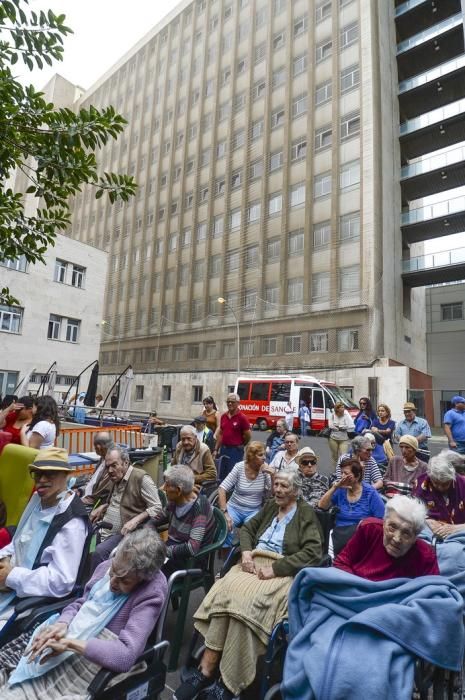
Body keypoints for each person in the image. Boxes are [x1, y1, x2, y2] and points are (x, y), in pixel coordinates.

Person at [173, 470, 323, 700]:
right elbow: (249, 530)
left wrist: (276, 569)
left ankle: (228, 683)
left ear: (295, 491)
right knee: (222, 593)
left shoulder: (305, 513)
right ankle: (206, 669)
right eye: (277, 485)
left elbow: (313, 553)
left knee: (246, 606)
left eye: (284, 486)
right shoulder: (272, 506)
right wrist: (245, 553)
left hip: (280, 570)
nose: (278, 490)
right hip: (253, 562)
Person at [0, 529, 168, 699]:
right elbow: (81, 604)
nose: (112, 583)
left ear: (143, 579)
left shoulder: (151, 591)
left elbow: (125, 655)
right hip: (70, 643)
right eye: (113, 571)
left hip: (96, 660)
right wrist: (62, 624)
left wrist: (70, 643)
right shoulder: (106, 567)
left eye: (124, 581)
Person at [0, 447, 89, 629]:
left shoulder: (73, 522)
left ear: (65, 475)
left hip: (28, 600)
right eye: (37, 474)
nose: (41, 480)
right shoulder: (37, 500)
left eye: (49, 474)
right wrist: (3, 558)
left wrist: (11, 575)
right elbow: (18, 541)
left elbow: (61, 582)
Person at [90, 445, 163, 569]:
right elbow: (121, 501)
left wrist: (135, 520)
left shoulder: (141, 478)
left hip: (126, 532)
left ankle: (94, 587)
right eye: (108, 467)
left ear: (126, 463)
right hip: (105, 527)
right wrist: (103, 506)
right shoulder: (117, 477)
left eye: (114, 465)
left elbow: (157, 506)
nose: (110, 470)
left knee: (99, 552)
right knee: (81, 538)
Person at [333, 495, 439, 580]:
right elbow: (341, 563)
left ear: (415, 537)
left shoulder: (426, 555)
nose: (397, 539)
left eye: (406, 533)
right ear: (384, 522)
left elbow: (434, 591)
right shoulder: (369, 530)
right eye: (392, 527)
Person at [151, 466, 216, 576]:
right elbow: (156, 520)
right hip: (172, 549)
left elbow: (192, 548)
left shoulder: (199, 507)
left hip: (191, 560)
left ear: (179, 490)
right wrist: (148, 532)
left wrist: (162, 551)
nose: (164, 488)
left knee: (147, 571)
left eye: (167, 485)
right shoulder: (174, 502)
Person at [319, 458, 385, 555]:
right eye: (342, 473)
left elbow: (381, 518)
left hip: (361, 535)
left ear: (357, 476)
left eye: (346, 474)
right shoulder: (340, 489)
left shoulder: (370, 492)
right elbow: (322, 506)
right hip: (339, 533)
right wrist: (334, 487)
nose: (342, 477)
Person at [217, 441, 272, 546]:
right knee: (226, 527)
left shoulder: (265, 468)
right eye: (260, 455)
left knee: (251, 532)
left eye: (265, 454)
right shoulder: (239, 467)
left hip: (253, 509)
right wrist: (225, 513)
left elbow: (272, 493)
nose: (264, 458)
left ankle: (244, 557)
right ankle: (226, 558)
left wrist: (272, 474)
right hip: (234, 507)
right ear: (251, 456)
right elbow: (222, 488)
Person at [413, 450, 465, 538]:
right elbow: (412, 512)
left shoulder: (462, 484)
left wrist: (457, 528)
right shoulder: (422, 483)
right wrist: (427, 520)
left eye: (445, 484)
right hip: (430, 532)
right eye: (436, 483)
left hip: (459, 533)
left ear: (453, 477)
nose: (440, 487)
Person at [213, 393, 251, 472]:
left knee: (233, 473)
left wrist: (241, 444)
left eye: (232, 402)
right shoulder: (224, 416)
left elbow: (248, 436)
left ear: (238, 403)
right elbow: (220, 434)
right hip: (223, 449)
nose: (230, 403)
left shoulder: (242, 418)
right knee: (222, 471)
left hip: (235, 451)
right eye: (228, 401)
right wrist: (216, 449)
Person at [82, 431, 113, 508]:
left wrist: (77, 500)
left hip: (92, 502)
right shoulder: (103, 457)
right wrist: (80, 490)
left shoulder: (111, 464)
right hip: (86, 495)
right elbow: (92, 480)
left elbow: (98, 495)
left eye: (95, 447)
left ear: (98, 447)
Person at [327, 402, 355, 466]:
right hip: (333, 438)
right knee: (335, 456)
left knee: (344, 457)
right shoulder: (332, 414)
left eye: (343, 407)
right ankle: (335, 472)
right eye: (341, 407)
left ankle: (342, 472)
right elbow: (331, 426)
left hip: (344, 439)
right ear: (337, 409)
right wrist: (342, 427)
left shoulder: (346, 414)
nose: (343, 408)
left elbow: (350, 425)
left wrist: (339, 426)